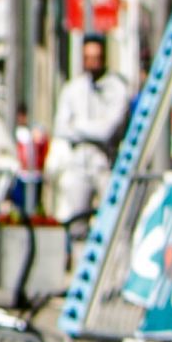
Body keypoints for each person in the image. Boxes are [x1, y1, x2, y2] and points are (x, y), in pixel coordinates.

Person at [50, 36, 133, 221]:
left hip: (107, 163)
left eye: (96, 58)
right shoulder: (73, 89)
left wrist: (77, 126)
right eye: (88, 58)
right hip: (78, 164)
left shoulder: (117, 88)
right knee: (76, 220)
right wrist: (91, 129)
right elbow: (61, 128)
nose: (92, 63)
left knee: (113, 218)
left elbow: (107, 131)